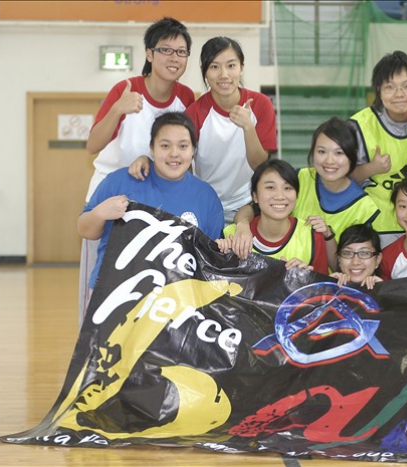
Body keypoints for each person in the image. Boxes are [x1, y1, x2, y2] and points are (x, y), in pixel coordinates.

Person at [80, 17, 195, 322]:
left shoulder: (186, 97)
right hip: (111, 200)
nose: (173, 58)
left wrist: (149, 158)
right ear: (149, 54)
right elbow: (93, 144)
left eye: (181, 52)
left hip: (153, 206)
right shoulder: (126, 89)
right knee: (101, 286)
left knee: (145, 290)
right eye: (165, 50)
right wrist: (118, 108)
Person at [131, 36, 277, 225]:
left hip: (248, 205)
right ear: (205, 72)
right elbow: (183, 163)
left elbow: (259, 163)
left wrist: (248, 127)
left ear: (241, 67)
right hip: (206, 204)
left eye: (231, 66)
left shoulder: (261, 104)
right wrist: (148, 159)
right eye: (214, 67)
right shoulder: (195, 112)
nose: (224, 74)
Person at [78, 112, 224, 303]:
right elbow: (85, 230)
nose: (174, 153)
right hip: (113, 296)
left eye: (183, 146)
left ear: (193, 150)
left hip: (175, 303)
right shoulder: (120, 181)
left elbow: (210, 260)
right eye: (165, 146)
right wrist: (100, 213)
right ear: (152, 149)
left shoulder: (206, 196)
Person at [231, 117, 381, 270]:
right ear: (312, 152)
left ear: (352, 156)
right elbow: (251, 207)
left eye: (339, 153)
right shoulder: (296, 179)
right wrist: (243, 226)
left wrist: (328, 236)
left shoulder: (366, 209)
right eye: (322, 151)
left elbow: (349, 268)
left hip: (323, 280)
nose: (330, 160)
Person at [348, 51, 407, 248]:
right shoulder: (359, 125)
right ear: (378, 90)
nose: (399, 94)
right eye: (390, 87)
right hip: (378, 227)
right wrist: (370, 168)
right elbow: (341, 179)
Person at [221, 159, 331, 275]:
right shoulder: (232, 235)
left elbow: (323, 285)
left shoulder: (312, 236)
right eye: (270, 187)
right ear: (255, 196)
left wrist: (304, 278)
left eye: (287, 188)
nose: (280, 196)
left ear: (296, 195)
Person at [330, 224, 384, 290]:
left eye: (364, 253)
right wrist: (325, 288)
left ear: (378, 259)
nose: (355, 262)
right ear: (339, 259)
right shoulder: (326, 289)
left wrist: (383, 291)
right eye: (347, 253)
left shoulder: (389, 292)